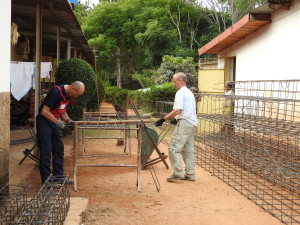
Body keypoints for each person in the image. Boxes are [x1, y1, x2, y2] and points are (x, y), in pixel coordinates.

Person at [36, 81, 85, 184]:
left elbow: (61, 110)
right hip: (44, 122)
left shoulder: (68, 95)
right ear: (72, 88)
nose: (76, 96)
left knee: (59, 148)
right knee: (46, 150)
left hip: (54, 121)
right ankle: (46, 180)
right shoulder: (56, 92)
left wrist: (68, 120)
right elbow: (44, 111)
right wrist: (58, 123)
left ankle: (58, 176)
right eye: (76, 94)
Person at [154, 73, 198, 182]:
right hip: (192, 123)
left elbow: (177, 110)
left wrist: (163, 119)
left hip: (185, 123)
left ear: (180, 81)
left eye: (174, 81)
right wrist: (176, 119)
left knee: (173, 148)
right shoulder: (189, 92)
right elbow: (185, 110)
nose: (173, 84)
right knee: (188, 150)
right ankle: (190, 174)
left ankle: (178, 173)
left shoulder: (180, 93)